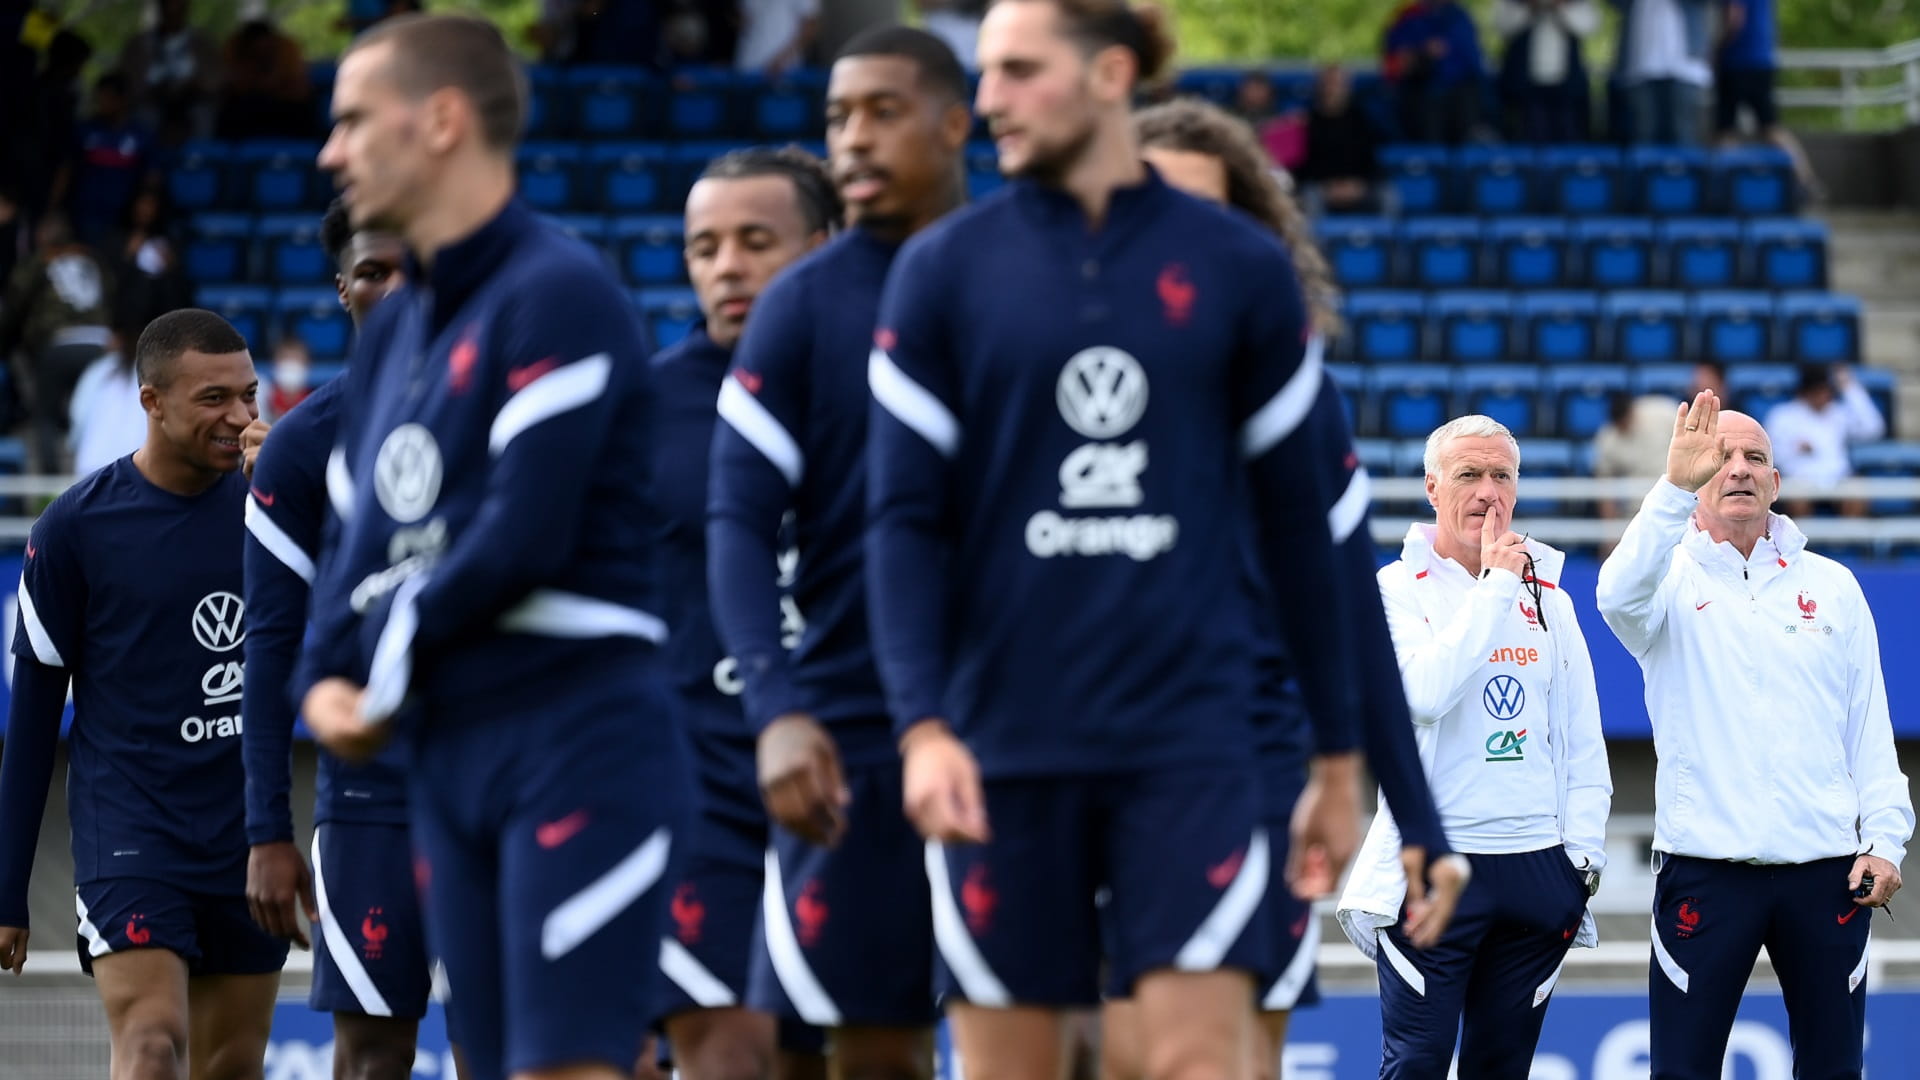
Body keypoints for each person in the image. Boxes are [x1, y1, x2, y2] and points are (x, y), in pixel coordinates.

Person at [865, 4, 1446, 1078]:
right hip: (1003, 743)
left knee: (1189, 1063)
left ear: (1109, 73)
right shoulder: (941, 272)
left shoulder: (1239, 269)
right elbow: (901, 523)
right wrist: (923, 729)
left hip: (1195, 744)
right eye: (986, 71)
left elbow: (1302, 541)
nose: (988, 97)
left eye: (1019, 70)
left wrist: (1334, 760)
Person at [298, 15, 688, 1080]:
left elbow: (521, 536)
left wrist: (364, 671)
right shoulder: (395, 340)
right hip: (444, 751)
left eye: (352, 121)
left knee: (565, 1067)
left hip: (575, 736)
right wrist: (319, 671)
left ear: (442, 122)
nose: (330, 151)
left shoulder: (558, 292)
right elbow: (351, 547)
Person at [1117, 97, 1466, 1080]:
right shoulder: (1030, 365)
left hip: (1241, 756)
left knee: (1222, 1054)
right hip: (1067, 754)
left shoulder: (1294, 391)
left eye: (1209, 214)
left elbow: (1350, 610)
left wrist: (1414, 818)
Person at [707, 26, 972, 1078]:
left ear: (957, 123)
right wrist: (775, 708)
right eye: (836, 117)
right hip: (856, 723)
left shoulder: (1025, 271)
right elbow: (737, 520)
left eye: (882, 111)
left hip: (1033, 715)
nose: (852, 138)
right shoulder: (802, 307)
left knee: (1067, 1036)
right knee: (877, 1051)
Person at [0, 309, 285, 1080]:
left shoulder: (279, 512)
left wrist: (290, 503)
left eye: (249, 396)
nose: (241, 417)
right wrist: (8, 889)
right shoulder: (75, 531)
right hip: (131, 831)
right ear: (151, 402)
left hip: (247, 831)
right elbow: (29, 725)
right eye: (214, 399)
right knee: (154, 1045)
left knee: (231, 1067)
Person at [1594, 393, 1914, 1080]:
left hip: (1828, 871)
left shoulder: (1833, 586)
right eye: (1721, 457)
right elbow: (1614, 597)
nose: (1738, 469)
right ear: (1695, 474)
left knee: (1833, 1071)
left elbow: (1868, 726)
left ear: (1776, 480)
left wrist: (1886, 839)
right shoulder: (1664, 582)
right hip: (1706, 870)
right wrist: (1671, 489)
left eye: (1755, 459)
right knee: (1682, 1072)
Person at [1339, 415, 1612, 1080]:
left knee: (1502, 1068)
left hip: (1538, 871)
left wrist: (1580, 862)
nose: (1489, 492)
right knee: (1417, 1064)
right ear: (1432, 487)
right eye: (1469, 475)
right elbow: (1425, 693)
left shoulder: (1552, 598)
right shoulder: (1392, 591)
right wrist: (1495, 586)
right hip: (1435, 868)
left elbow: (1581, 743)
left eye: (1502, 476)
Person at [651, 146, 836, 1080]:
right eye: (704, 247)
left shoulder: (899, 384)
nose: (726, 267)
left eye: (756, 242)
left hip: (859, 775)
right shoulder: (639, 409)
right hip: (698, 786)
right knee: (728, 1056)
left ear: (825, 243)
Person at [240, 196, 425, 1080]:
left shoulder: (519, 416)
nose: (392, 290)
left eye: (411, 269)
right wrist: (267, 831)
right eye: (372, 272)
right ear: (342, 287)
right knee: (373, 1055)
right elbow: (267, 650)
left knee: (514, 1051)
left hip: (512, 776)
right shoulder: (301, 444)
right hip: (370, 801)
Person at [0, 212, 115, 473]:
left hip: (59, 344)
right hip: (101, 345)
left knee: (44, 415)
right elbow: (112, 295)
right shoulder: (93, 260)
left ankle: (50, 486)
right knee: (99, 413)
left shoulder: (38, 262)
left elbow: (13, 304)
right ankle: (100, 477)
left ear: (42, 237)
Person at [1713, 0, 1819, 197]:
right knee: (1771, 127)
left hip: (1737, 61)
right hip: (1762, 60)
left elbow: (1734, 18)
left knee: (1726, 131)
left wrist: (1716, 49)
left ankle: (1727, 192)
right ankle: (1805, 179)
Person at [1762, 364, 1885, 520]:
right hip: (1799, 480)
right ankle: (1801, 543)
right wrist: (1794, 449)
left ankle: (1846, 542)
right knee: (1796, 497)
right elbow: (1769, 454)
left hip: (1838, 478)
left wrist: (1850, 388)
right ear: (1806, 392)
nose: (1824, 396)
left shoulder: (1838, 413)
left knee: (1858, 491)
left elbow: (1873, 428)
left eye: (1827, 391)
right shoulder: (1782, 416)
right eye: (1819, 391)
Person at [1382, 0, 1486, 145]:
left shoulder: (1460, 17)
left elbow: (1475, 64)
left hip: (1460, 99)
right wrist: (1422, 53)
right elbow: (1394, 66)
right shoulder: (1408, 17)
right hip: (1420, 96)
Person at [1493, 0, 1597, 143]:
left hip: (1567, 86)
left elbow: (1588, 27)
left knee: (1568, 137)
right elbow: (1503, 26)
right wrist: (1530, 8)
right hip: (1524, 86)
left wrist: (1560, 7)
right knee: (1527, 138)